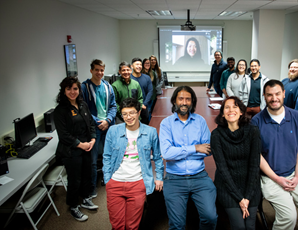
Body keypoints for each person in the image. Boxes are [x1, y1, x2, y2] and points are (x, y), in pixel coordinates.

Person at [251, 80, 298, 230]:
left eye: (277, 94)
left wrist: (297, 177)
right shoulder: (256, 122)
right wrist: (277, 179)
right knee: (289, 217)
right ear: (264, 96)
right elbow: (256, 156)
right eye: (270, 95)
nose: (274, 98)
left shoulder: (296, 116)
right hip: (271, 177)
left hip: (295, 173)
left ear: (284, 94)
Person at [159, 86, 218, 230]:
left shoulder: (200, 121)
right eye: (181, 99)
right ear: (174, 101)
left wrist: (178, 151)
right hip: (174, 179)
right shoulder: (166, 123)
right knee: (177, 225)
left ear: (192, 102)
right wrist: (195, 148)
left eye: (188, 99)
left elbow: (208, 150)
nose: (184, 102)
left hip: (199, 177)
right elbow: (167, 154)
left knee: (211, 218)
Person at [103, 98, 164, 229]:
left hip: (137, 184)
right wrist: (108, 179)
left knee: (132, 226)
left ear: (138, 113)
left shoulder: (150, 132)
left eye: (131, 113)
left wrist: (159, 177)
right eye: (125, 114)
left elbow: (158, 157)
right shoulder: (113, 131)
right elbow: (106, 156)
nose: (128, 117)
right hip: (115, 183)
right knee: (117, 225)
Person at [211, 96, 261, 230]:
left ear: (241, 112)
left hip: (250, 187)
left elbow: (255, 166)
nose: (230, 110)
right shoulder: (216, 135)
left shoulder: (253, 131)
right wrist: (240, 198)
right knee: (239, 226)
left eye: (235, 107)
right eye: (227, 107)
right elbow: (223, 169)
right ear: (222, 113)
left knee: (250, 227)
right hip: (227, 188)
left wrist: (247, 197)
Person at [54, 76, 98, 221]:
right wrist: (81, 144)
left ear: (79, 90)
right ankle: (73, 206)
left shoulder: (83, 105)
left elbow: (91, 123)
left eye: (75, 88)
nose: (72, 92)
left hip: (87, 146)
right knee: (75, 180)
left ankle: (85, 198)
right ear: (64, 91)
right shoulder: (60, 111)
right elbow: (64, 135)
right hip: (71, 151)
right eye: (69, 89)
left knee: (86, 175)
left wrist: (92, 139)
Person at [81, 59, 116, 197]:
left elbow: (113, 105)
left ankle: (109, 182)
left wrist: (107, 120)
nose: (99, 73)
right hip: (94, 128)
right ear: (91, 70)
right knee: (93, 160)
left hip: (108, 126)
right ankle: (92, 189)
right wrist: (98, 122)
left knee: (110, 155)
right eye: (97, 70)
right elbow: (84, 108)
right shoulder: (85, 87)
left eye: (102, 70)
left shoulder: (108, 86)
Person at [131, 57, 153, 125]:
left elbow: (150, 91)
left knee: (145, 126)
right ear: (132, 66)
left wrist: (144, 104)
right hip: (132, 108)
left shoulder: (147, 78)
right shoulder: (129, 78)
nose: (139, 66)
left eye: (140, 65)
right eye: (137, 64)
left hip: (144, 107)